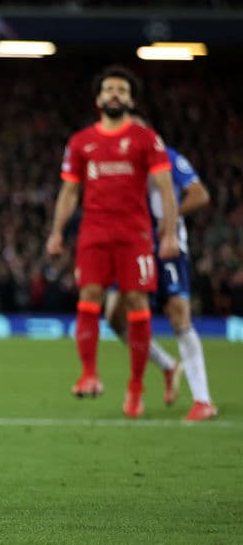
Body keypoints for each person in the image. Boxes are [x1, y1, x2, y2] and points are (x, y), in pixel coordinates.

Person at [45, 65, 179, 418]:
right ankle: (88, 374)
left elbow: (165, 187)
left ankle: (136, 387)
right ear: (99, 99)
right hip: (94, 232)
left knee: (136, 301)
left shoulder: (146, 139)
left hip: (134, 234)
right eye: (109, 89)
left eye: (122, 89)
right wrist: (57, 231)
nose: (115, 94)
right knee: (89, 296)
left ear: (131, 100)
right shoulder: (81, 142)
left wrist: (168, 232)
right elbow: (69, 191)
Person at [104, 118, 217, 421]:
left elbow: (199, 194)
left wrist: (166, 219)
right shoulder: (114, 162)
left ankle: (202, 400)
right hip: (129, 246)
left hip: (165, 247)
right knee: (114, 318)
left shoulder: (166, 156)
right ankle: (168, 365)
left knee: (178, 313)